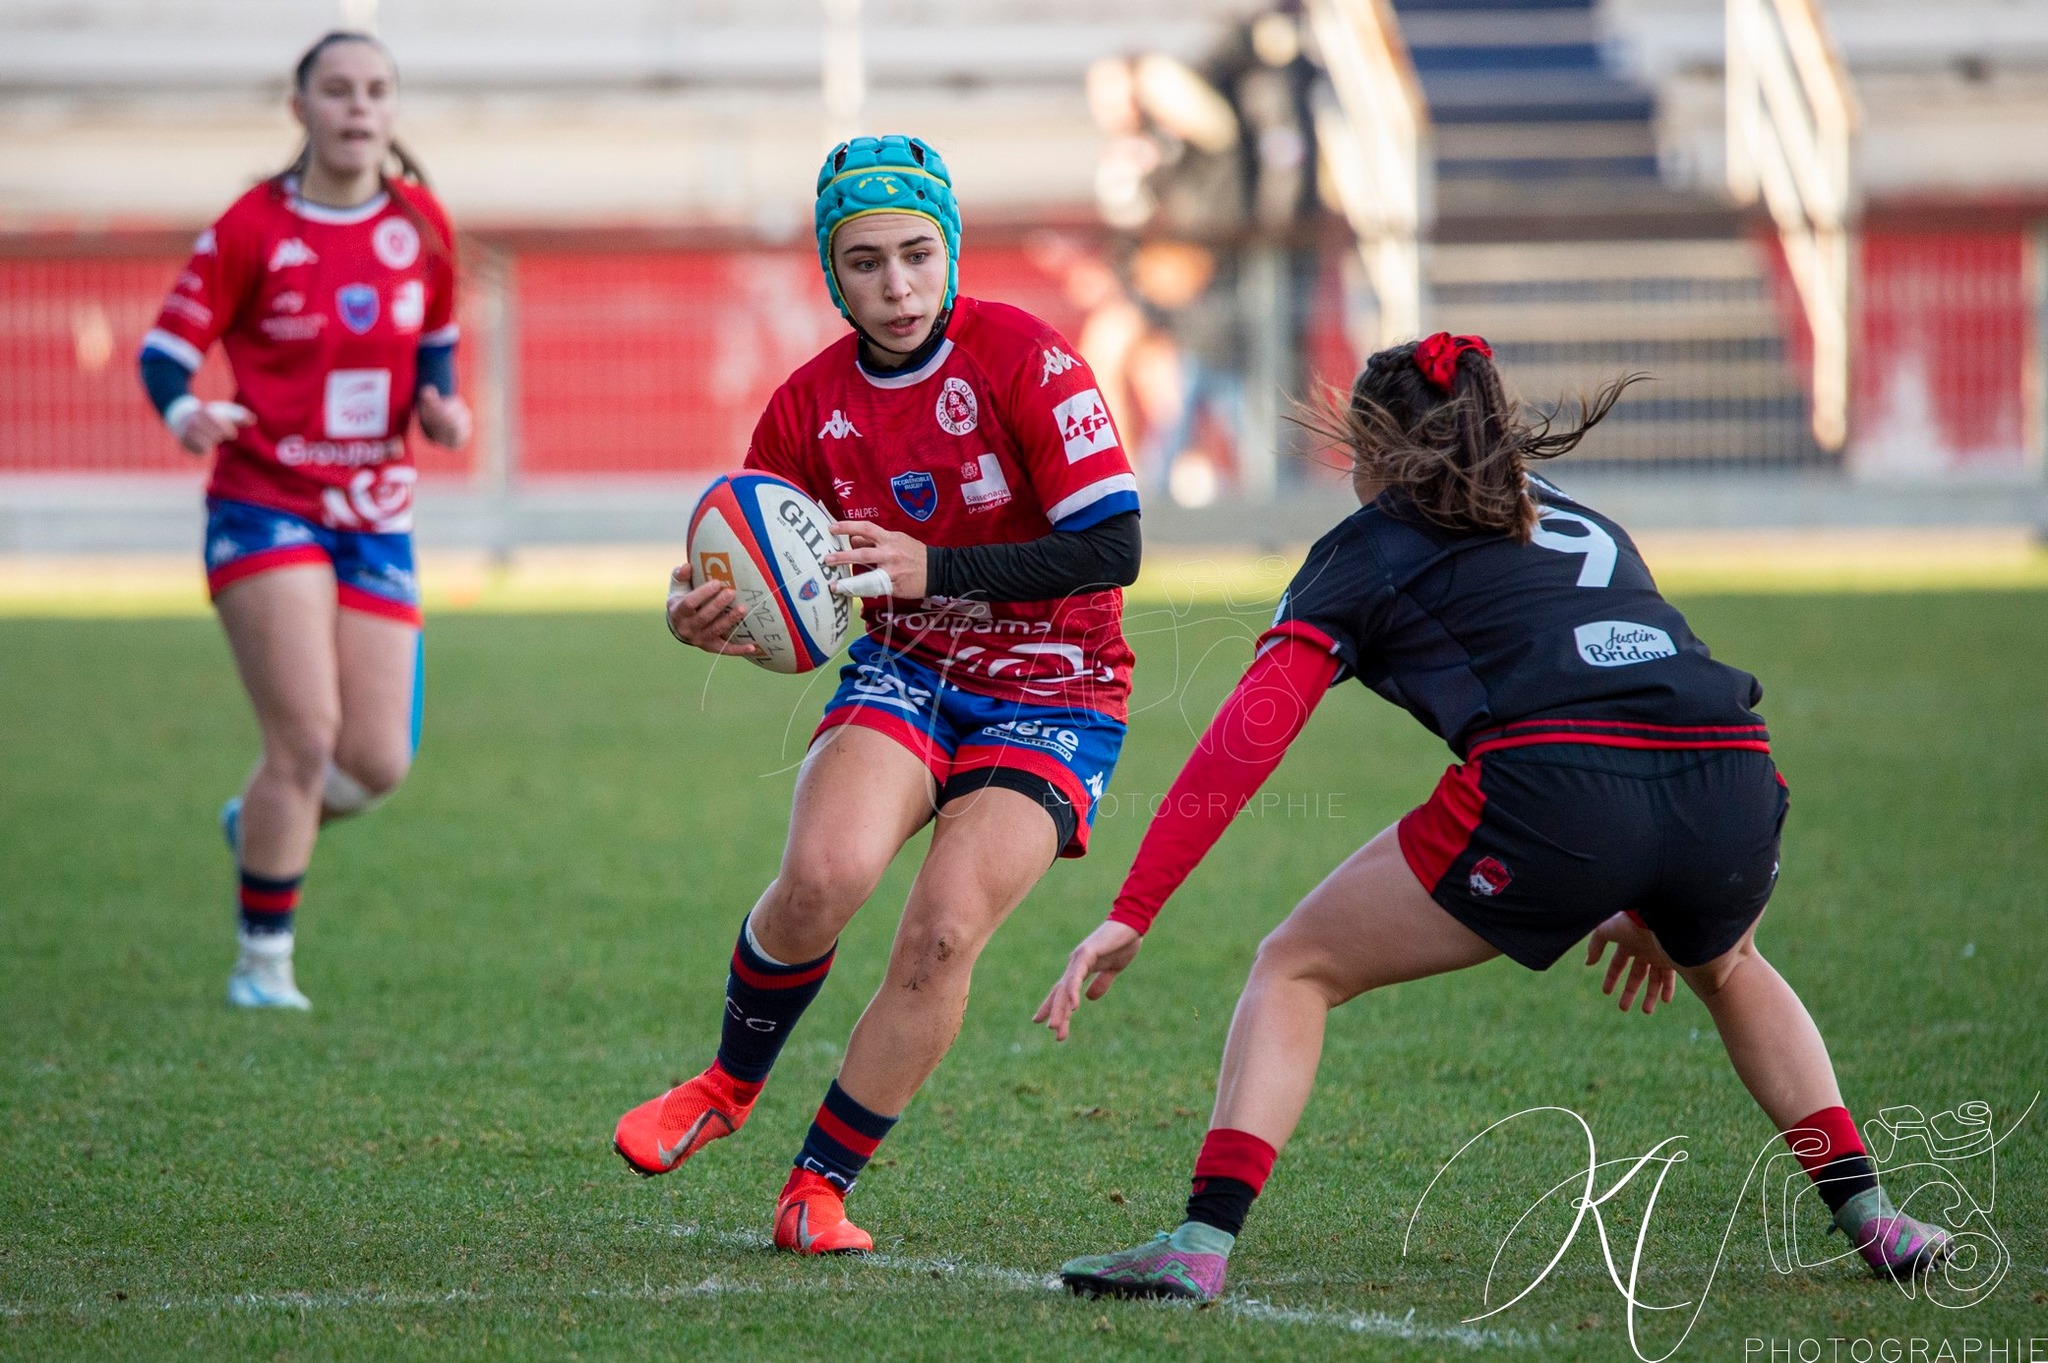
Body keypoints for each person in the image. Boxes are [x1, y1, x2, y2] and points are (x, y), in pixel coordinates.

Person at [1037, 334, 1953, 1300]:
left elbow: (1246, 734)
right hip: (1731, 773)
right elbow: (1661, 686)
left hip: (1555, 790)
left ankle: (1200, 1241)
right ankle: (1875, 1214)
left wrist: (1135, 908)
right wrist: (1656, 896)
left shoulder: (1368, 545)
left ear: (1376, 450)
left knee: (1294, 965)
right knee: (1728, 967)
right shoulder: (1582, 518)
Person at [612, 135, 1143, 1255]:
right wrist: (698, 615)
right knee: (822, 874)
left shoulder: (1026, 360)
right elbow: (758, 574)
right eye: (863, 264)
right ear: (829, 270)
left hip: (1056, 691)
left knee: (943, 932)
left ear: (949, 249)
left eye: (915, 255)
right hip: (907, 671)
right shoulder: (808, 406)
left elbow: (1117, 546)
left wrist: (934, 566)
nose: (896, 288)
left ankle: (816, 1188)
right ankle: (723, 1084)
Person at [136, 31, 469, 1010]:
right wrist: (185, 411)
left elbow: (436, 354)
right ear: (301, 109)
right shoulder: (249, 226)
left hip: (376, 512)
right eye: (336, 90)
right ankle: (262, 963)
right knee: (307, 738)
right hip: (264, 501)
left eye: (375, 90)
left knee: (376, 760)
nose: (357, 107)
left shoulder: (424, 229)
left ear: (391, 110)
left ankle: (263, 822)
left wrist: (441, 409)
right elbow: (164, 352)